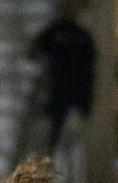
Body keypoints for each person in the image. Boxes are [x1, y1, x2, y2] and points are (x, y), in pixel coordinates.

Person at [29, 0, 96, 151]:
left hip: (75, 99)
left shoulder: (83, 36)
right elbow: (33, 51)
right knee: (53, 140)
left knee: (72, 143)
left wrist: (86, 103)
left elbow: (89, 73)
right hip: (56, 95)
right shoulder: (55, 32)